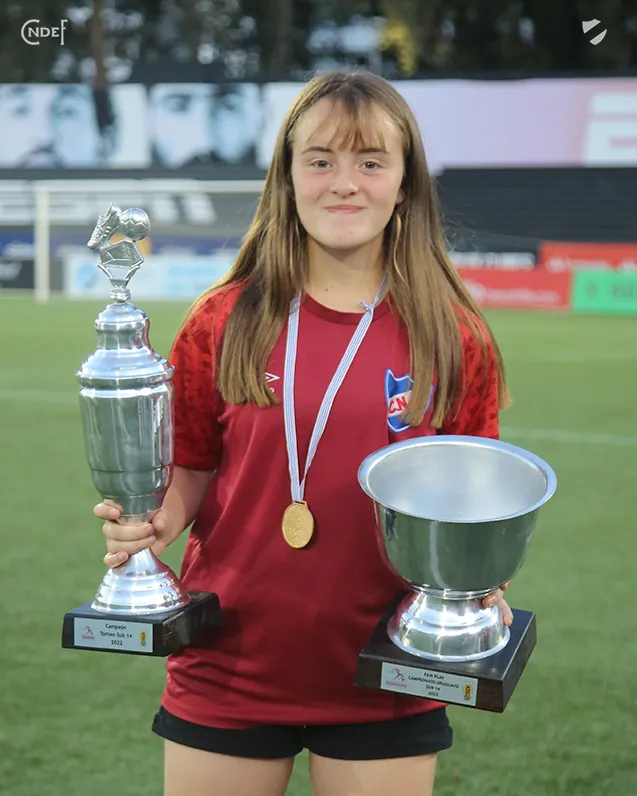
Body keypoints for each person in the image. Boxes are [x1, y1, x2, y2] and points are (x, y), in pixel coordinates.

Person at [95, 70, 513, 796]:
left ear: (405, 184)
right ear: (287, 180)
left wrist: (482, 578)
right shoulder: (222, 320)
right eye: (320, 161)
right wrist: (152, 523)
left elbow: (476, 496)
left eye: (370, 162)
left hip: (388, 668)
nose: (344, 183)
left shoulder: (453, 336)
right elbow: (192, 465)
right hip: (229, 660)